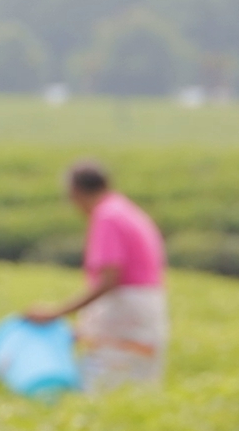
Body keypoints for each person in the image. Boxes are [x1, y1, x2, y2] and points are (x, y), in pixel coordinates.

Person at [25, 160, 168, 390]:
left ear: (75, 192)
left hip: (125, 308)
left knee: (103, 384)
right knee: (139, 383)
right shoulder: (123, 209)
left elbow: (109, 279)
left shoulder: (106, 217)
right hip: (147, 306)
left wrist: (56, 313)